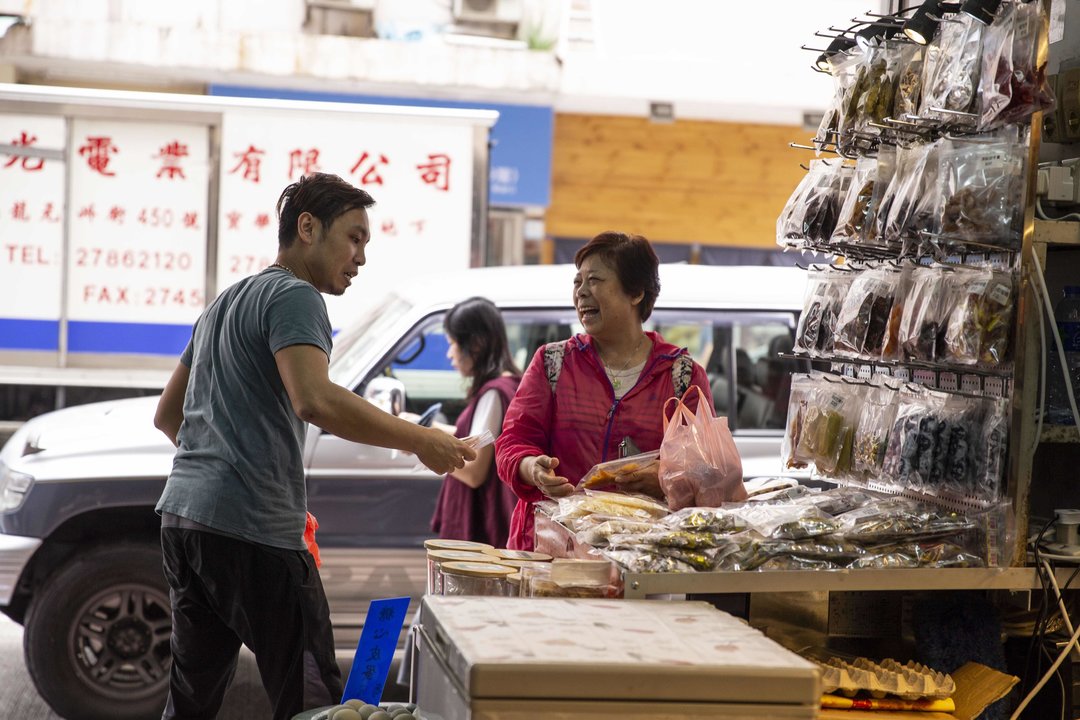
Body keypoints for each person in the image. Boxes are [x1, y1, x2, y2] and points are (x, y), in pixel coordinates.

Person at [152, 173, 475, 720]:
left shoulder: (224, 304)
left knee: (192, 697)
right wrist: (422, 439)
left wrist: (229, 468)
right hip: (253, 530)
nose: (361, 258)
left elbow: (167, 415)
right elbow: (315, 401)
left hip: (184, 522)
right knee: (316, 702)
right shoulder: (296, 296)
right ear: (307, 228)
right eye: (354, 238)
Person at [494, 231, 714, 551]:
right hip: (551, 551)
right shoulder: (553, 362)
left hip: (639, 554)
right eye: (577, 281)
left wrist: (665, 478)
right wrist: (531, 467)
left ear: (636, 292)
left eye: (594, 280)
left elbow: (708, 470)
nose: (581, 292)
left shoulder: (682, 376)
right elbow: (513, 441)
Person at [424, 297, 522, 547]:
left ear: (476, 345)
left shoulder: (493, 394)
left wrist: (422, 446)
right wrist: (426, 428)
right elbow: (478, 437)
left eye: (453, 343)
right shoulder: (511, 384)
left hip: (480, 536)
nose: (449, 354)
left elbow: (475, 470)